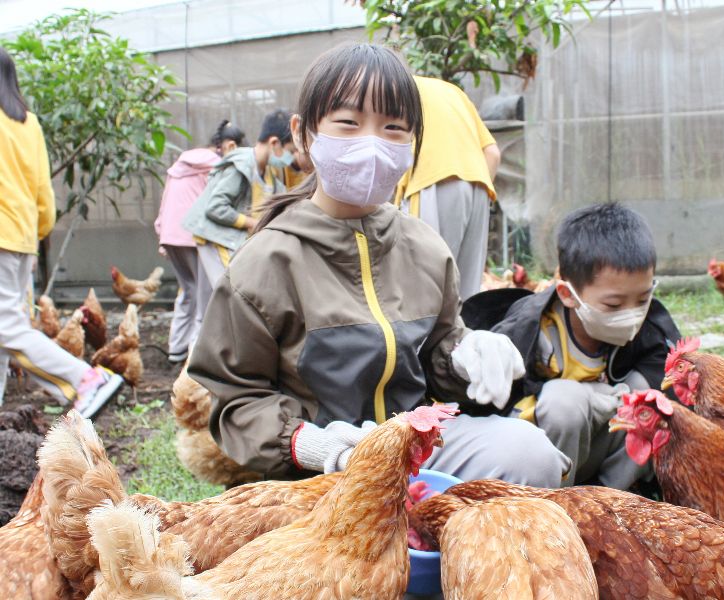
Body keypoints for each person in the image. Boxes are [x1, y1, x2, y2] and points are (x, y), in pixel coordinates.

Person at [187, 43, 571, 488]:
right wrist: (307, 443)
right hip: (315, 474)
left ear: (412, 144)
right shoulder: (266, 263)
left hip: (414, 445)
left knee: (530, 454)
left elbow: (439, 352)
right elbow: (236, 396)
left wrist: (467, 358)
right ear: (303, 135)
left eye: (393, 128)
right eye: (348, 124)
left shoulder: (425, 247)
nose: (372, 144)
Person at [465, 203, 681, 489]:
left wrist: (630, 394)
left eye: (642, 300)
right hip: (541, 449)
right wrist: (593, 396)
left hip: (598, 448)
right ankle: (554, 504)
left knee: (651, 406)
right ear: (567, 294)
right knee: (563, 401)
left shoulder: (651, 327)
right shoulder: (528, 332)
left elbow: (670, 379)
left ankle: (611, 504)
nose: (632, 313)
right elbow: (491, 407)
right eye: (614, 304)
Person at [0, 47, 123, 416]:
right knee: (7, 326)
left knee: (5, 328)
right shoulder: (27, 122)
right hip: (20, 237)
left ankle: (86, 380)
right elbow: (43, 191)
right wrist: (33, 232)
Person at [395, 76, 501, 300]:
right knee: (466, 294)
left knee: (424, 290)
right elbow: (493, 154)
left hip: (431, 180)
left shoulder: (389, 86)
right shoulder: (453, 92)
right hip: (479, 184)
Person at [182, 112, 294, 319]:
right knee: (233, 296)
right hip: (215, 237)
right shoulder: (241, 165)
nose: (292, 158)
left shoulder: (267, 173)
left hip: (228, 239)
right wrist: (250, 222)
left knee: (209, 308)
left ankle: (199, 349)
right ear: (275, 142)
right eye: (290, 151)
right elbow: (215, 207)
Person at [153, 125, 229, 363]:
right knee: (205, 298)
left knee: (188, 291)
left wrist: (162, 236)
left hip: (171, 235)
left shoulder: (178, 167)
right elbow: (216, 204)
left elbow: (165, 202)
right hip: (196, 237)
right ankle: (196, 359)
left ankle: (176, 350)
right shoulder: (213, 165)